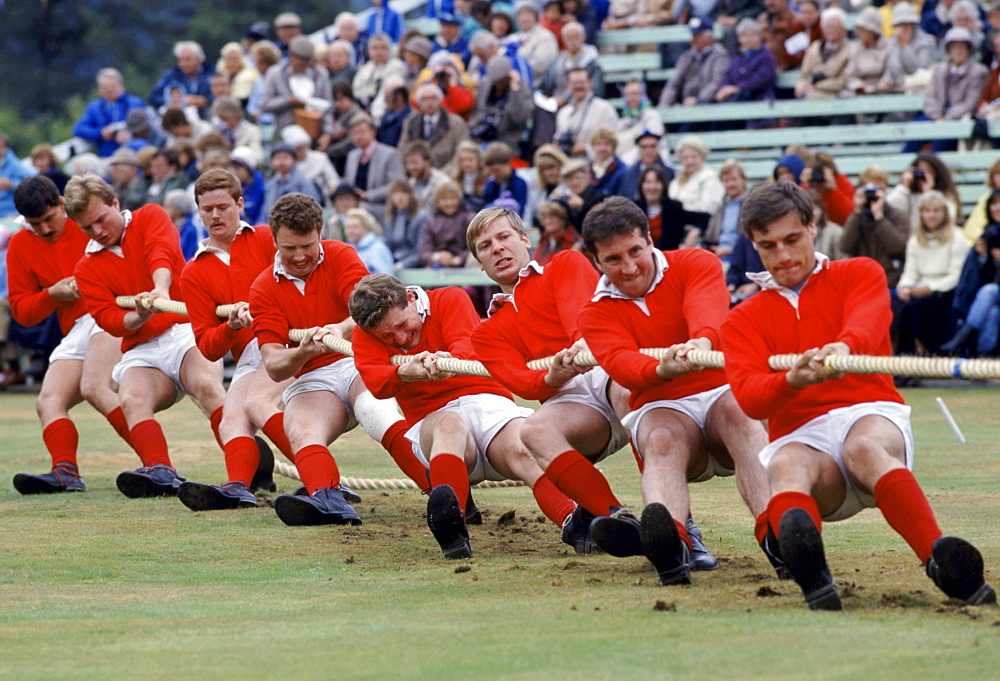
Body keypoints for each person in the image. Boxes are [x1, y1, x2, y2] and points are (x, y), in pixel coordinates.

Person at [720, 180, 995, 610]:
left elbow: (870, 318)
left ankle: (938, 557)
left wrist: (844, 346)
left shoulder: (858, 271)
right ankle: (814, 577)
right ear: (754, 247)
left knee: (863, 448)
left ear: (813, 227)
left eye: (792, 239)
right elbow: (752, 399)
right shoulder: (741, 319)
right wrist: (792, 380)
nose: (784, 256)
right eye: (768, 246)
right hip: (804, 440)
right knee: (787, 464)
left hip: (869, 414)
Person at [468, 207, 718, 566]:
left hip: (610, 367)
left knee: (625, 389)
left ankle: (681, 530)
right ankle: (617, 518)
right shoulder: (487, 330)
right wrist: (553, 376)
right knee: (534, 430)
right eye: (485, 246)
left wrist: (580, 345)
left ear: (525, 239)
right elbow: (520, 381)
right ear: (479, 262)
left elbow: (580, 318)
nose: (497, 249)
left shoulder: (564, 264)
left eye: (504, 237)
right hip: (573, 404)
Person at [577, 196, 771, 584]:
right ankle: (672, 544)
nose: (629, 267)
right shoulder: (594, 313)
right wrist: (661, 367)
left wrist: (701, 341)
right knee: (661, 439)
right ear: (596, 262)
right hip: (662, 408)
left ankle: (779, 535)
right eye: (613, 260)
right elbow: (622, 367)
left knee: (740, 416)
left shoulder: (695, 262)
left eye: (635, 251)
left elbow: (707, 307)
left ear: (650, 240)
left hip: (719, 394)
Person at [350, 274, 584, 558]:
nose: (400, 338)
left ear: (410, 298)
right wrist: (404, 372)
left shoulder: (449, 298)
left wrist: (446, 363)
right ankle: (452, 527)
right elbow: (376, 382)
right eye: (387, 336)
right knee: (449, 424)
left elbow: (467, 347)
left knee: (525, 447)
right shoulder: (364, 335)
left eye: (402, 325)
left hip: (491, 406)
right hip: (434, 420)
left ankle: (575, 523)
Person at [248, 193, 425, 525]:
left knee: (376, 412)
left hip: (358, 358)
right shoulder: (262, 288)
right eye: (289, 248)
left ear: (320, 232)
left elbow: (367, 308)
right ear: (274, 241)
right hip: (311, 375)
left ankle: (445, 494)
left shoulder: (342, 254)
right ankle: (328, 501)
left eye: (307, 246)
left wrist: (341, 328)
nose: (300, 256)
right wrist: (301, 352)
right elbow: (273, 364)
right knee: (300, 430)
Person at [68, 174, 228, 498]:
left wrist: (160, 289)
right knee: (131, 399)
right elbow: (109, 319)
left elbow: (162, 252)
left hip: (186, 327)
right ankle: (160, 471)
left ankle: (248, 471)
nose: (97, 231)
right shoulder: (86, 268)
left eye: (100, 219)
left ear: (115, 203)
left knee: (207, 386)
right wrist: (137, 315)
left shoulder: (150, 215)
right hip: (142, 346)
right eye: (87, 227)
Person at [175, 169, 299, 510]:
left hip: (294, 344)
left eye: (223, 207)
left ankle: (324, 485)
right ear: (198, 212)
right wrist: (230, 326)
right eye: (207, 209)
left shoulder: (265, 239)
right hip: (250, 353)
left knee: (254, 404)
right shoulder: (194, 271)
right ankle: (237, 489)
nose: (215, 215)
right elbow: (208, 346)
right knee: (232, 419)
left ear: (240, 204)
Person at [7, 177, 135, 494]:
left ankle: (161, 466)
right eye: (36, 224)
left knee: (95, 387)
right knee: (48, 400)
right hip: (78, 327)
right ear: (24, 221)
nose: (46, 230)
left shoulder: (88, 224)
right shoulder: (21, 245)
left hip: (112, 312)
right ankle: (65, 472)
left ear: (62, 205)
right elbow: (22, 312)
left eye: (50, 219)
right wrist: (52, 293)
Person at [893, 191, 968, 355]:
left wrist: (931, 288)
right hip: (919, 288)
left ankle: (917, 353)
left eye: (936, 211)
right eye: (927, 211)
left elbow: (956, 276)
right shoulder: (915, 240)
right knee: (897, 302)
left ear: (944, 213)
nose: (931, 215)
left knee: (915, 308)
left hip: (946, 292)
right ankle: (902, 355)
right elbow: (910, 272)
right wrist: (904, 287)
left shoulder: (957, 237)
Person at [902, 27, 989, 152]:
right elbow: (930, 97)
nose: (958, 51)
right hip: (936, 116)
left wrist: (947, 118)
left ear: (969, 50)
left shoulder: (978, 71)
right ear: (948, 50)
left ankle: (933, 167)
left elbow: (970, 102)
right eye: (954, 47)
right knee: (916, 130)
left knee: (943, 137)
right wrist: (937, 116)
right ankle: (904, 166)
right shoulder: (939, 69)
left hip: (958, 118)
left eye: (962, 47)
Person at [942, 195, 1000, 355]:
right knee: (993, 312)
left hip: (991, 293)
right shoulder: (988, 234)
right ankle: (984, 360)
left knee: (989, 291)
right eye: (994, 203)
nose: (997, 207)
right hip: (990, 299)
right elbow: (977, 278)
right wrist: (982, 258)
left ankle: (962, 337)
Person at [260, 36, 334, 150]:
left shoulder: (320, 74)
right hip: (284, 132)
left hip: (314, 133)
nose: (304, 64)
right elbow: (265, 104)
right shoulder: (275, 73)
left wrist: (327, 133)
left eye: (308, 61)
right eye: (301, 60)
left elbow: (328, 107)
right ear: (291, 55)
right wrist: (289, 100)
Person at [840, 177, 911, 289]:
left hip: (891, 282)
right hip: (863, 281)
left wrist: (879, 218)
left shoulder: (898, 216)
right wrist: (857, 212)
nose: (870, 196)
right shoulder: (857, 217)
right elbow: (845, 246)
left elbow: (898, 247)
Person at [657, 18, 730, 110]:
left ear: (709, 37)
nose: (693, 39)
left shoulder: (720, 55)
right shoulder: (687, 56)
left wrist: (698, 101)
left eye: (697, 35)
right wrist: (664, 106)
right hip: (686, 103)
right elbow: (673, 84)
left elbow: (716, 83)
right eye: (693, 35)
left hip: (709, 106)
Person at [73, 68, 147, 158]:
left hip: (134, 151)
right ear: (99, 89)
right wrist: (101, 133)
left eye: (112, 86)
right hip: (107, 154)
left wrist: (129, 133)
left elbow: (146, 125)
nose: (109, 90)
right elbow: (79, 129)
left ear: (121, 86)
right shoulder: (94, 107)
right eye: (105, 87)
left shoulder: (135, 102)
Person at [399, 84, 471, 170]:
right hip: (415, 172)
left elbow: (462, 151)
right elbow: (402, 149)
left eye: (433, 98)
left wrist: (443, 174)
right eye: (424, 99)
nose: (429, 102)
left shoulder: (456, 123)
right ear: (419, 103)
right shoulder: (410, 122)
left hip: (446, 173)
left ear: (440, 100)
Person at [468, 55, 532, 151]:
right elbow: (477, 111)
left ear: (508, 76)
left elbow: (519, 118)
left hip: (506, 141)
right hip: (480, 137)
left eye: (500, 81)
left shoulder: (521, 89)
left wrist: (515, 89)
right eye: (494, 81)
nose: (497, 84)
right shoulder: (486, 83)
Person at [553, 68, 620, 158]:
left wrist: (586, 149)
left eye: (582, 82)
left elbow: (615, 142)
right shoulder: (563, 113)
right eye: (574, 83)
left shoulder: (605, 109)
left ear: (590, 83)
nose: (578, 86)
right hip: (568, 165)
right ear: (568, 85)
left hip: (596, 165)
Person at [886, 152, 961, 232]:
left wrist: (929, 194)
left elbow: (949, 218)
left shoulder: (946, 196)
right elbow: (889, 210)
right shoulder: (907, 195)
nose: (923, 176)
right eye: (919, 172)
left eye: (928, 172)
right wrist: (904, 186)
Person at [668, 136, 723, 243]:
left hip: (700, 227)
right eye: (685, 158)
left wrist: (681, 208)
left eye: (694, 157)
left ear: (702, 157)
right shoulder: (676, 180)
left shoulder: (709, 177)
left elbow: (708, 207)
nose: (690, 161)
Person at [715, 19, 777, 108]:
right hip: (737, 99)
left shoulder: (766, 56)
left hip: (760, 99)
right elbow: (728, 77)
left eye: (752, 35)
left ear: (759, 37)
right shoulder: (737, 58)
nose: (749, 39)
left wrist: (737, 88)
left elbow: (761, 79)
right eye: (745, 36)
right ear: (739, 39)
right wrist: (724, 88)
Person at [795, 8, 851, 101]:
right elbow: (804, 74)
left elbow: (844, 80)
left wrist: (817, 86)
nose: (830, 31)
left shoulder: (850, 49)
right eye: (827, 27)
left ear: (843, 29)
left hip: (836, 94)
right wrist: (801, 85)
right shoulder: (815, 47)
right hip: (810, 93)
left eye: (834, 27)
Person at [149, 41, 216, 117]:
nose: (183, 64)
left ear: (199, 59)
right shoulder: (171, 75)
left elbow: (221, 94)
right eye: (180, 60)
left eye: (188, 60)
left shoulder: (211, 73)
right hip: (178, 118)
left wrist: (205, 100)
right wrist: (178, 100)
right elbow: (154, 98)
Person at [419, 181, 476, 268]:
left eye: (452, 198)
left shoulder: (469, 218)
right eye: (444, 199)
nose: (449, 203)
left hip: (464, 265)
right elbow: (424, 252)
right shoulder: (431, 221)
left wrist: (457, 260)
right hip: (437, 265)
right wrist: (438, 256)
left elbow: (474, 246)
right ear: (437, 202)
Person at [352, 34, 408, 121]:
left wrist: (374, 114)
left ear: (390, 50)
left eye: (383, 48)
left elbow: (386, 94)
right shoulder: (365, 69)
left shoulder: (397, 67)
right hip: (364, 111)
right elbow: (356, 92)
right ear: (368, 51)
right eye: (375, 48)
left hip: (385, 114)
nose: (379, 52)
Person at [260, 143, 324, 219]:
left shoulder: (304, 182)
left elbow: (312, 211)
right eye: (277, 158)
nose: (281, 162)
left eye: (285, 158)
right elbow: (264, 213)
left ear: (294, 160)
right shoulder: (270, 185)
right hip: (271, 226)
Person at [703, 159, 747, 258]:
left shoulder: (751, 205)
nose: (730, 184)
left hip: (741, 256)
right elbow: (710, 236)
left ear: (743, 180)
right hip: (718, 254)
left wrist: (729, 250)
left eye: (734, 179)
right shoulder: (720, 207)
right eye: (726, 180)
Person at [799, 153, 854, 227]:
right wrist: (804, 187)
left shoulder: (841, 181)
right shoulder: (808, 185)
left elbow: (848, 217)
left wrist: (834, 190)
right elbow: (798, 213)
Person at [619, 130, 673, 204]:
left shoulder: (669, 173)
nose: (648, 151)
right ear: (638, 150)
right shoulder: (628, 174)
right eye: (644, 147)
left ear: (658, 149)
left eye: (652, 146)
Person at [384, 180, 427, 271]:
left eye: (404, 193)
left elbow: (421, 250)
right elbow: (388, 247)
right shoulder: (389, 219)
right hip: (393, 264)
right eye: (396, 193)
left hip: (415, 267)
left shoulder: (421, 218)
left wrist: (402, 265)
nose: (400, 197)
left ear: (411, 196)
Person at [403, 140, 452, 214]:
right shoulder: (410, 184)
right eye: (408, 163)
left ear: (427, 162)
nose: (411, 167)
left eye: (415, 163)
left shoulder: (443, 183)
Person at [481, 142, 529, 215]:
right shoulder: (491, 182)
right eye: (491, 171)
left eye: (497, 170)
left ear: (508, 163)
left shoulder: (521, 183)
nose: (494, 174)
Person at [344, 207, 394, 275]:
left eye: (355, 227)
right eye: (348, 227)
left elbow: (386, 279)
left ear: (366, 228)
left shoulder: (377, 249)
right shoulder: (348, 249)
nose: (350, 231)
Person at [514, 3, 559, 78]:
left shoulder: (545, 36)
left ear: (536, 18)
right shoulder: (512, 38)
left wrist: (516, 69)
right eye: (521, 16)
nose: (524, 19)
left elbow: (541, 65)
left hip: (537, 83)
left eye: (528, 15)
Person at [533, 201, 582, 265]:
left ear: (563, 218)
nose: (548, 221)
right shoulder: (544, 239)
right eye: (545, 217)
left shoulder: (575, 241)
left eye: (552, 217)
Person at [0, 133, 36, 218]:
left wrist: (11, 184)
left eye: (1, 147)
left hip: (12, 213)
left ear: (6, 148)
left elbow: (34, 183)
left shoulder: (13, 164)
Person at [163, 189, 203, 261]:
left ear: (178, 209)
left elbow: (194, 256)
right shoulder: (170, 227)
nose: (164, 210)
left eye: (167, 206)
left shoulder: (193, 229)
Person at [107, 147, 147, 212]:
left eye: (119, 171)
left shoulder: (142, 189)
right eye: (114, 170)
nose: (115, 174)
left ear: (133, 169)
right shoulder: (118, 188)